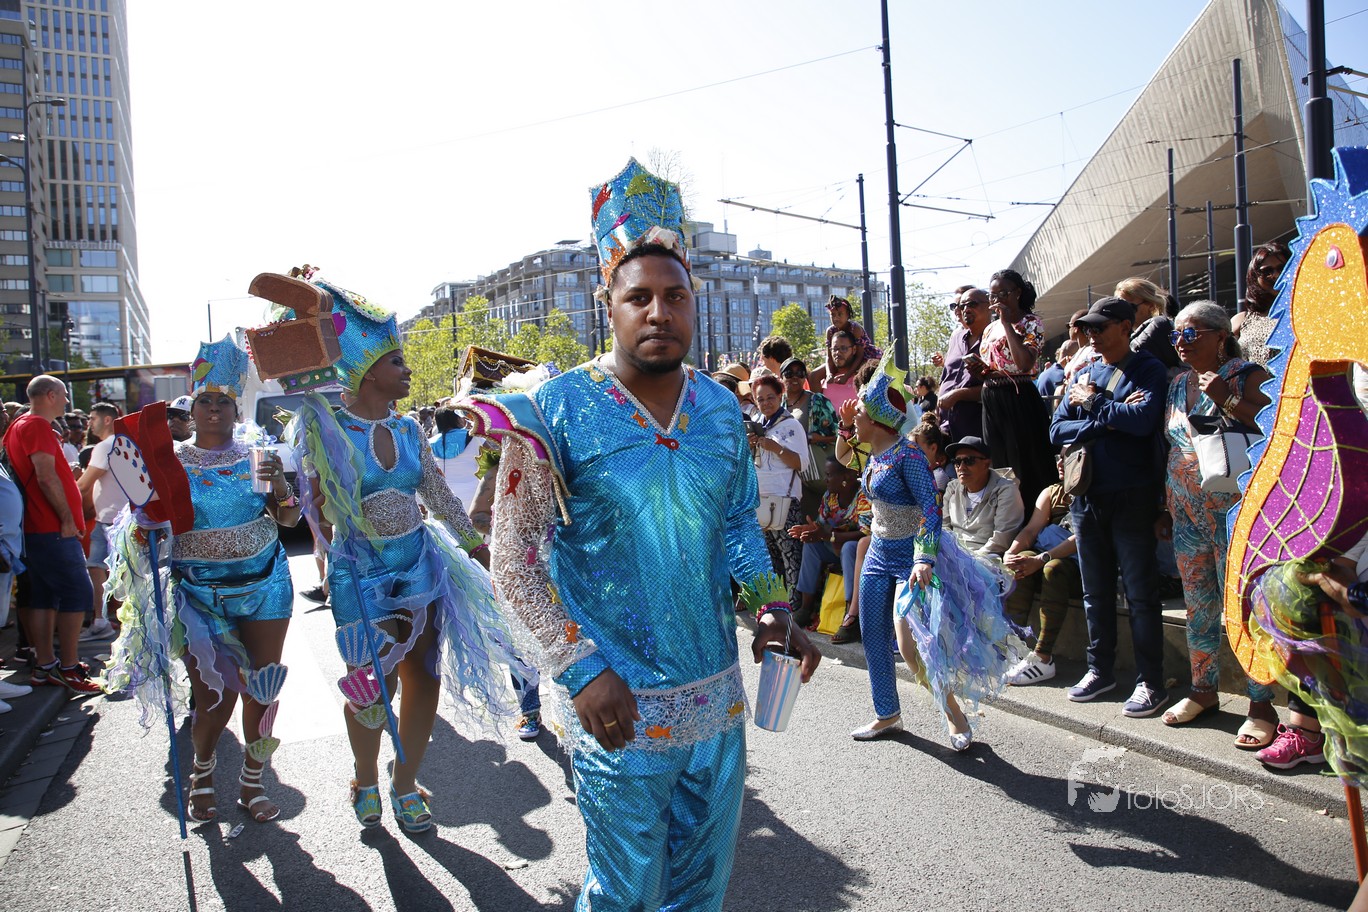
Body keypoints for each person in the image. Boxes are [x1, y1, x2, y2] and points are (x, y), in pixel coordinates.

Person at [466, 159, 819, 912]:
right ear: (610, 305)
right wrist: (580, 668)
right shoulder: (553, 411)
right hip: (615, 707)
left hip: (716, 702)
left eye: (675, 295)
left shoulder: (720, 409)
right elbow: (515, 561)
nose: (659, 312)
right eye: (639, 297)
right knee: (622, 895)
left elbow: (736, 526)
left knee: (702, 891)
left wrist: (772, 609)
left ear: (695, 303)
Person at [294, 279, 516, 834]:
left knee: (424, 675)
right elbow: (307, 506)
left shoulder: (409, 427)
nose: (408, 370)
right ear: (368, 372)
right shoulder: (327, 427)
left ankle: (405, 782)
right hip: (360, 569)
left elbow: (437, 494)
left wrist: (477, 546)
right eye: (397, 361)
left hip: (419, 561)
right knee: (371, 683)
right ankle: (365, 776)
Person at [104, 338, 301, 822]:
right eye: (205, 401)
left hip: (266, 584)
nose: (214, 409)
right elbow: (142, 531)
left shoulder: (258, 456)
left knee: (263, 685)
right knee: (214, 694)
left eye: (224, 402)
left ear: (236, 410)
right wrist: (146, 524)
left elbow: (289, 520)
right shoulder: (167, 462)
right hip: (199, 593)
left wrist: (281, 487)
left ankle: (253, 782)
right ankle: (203, 773)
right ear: (191, 409)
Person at [849, 355, 1022, 750]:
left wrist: (923, 558)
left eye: (859, 413)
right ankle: (887, 713)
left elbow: (930, 509)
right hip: (878, 553)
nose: (854, 419)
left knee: (911, 647)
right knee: (871, 634)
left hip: (911, 557)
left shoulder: (908, 456)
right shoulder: (875, 454)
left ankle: (953, 713)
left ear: (876, 420)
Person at [1154, 301, 1278, 745]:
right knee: (1198, 605)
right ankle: (1203, 690)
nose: (1181, 343)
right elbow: (1174, 445)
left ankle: (1261, 703)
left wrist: (1228, 398)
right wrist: (1165, 506)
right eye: (1176, 336)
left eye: (1191, 334)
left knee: (1243, 607)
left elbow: (1273, 425)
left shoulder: (1246, 375)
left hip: (1235, 514)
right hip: (1186, 513)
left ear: (1220, 336)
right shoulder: (1178, 383)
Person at [1049, 296, 1171, 717]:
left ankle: (1151, 682)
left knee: (1140, 594)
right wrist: (1108, 419)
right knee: (1095, 592)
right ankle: (1100, 670)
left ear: (1125, 326)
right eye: (1088, 329)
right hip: (1087, 496)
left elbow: (1143, 421)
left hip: (1133, 495)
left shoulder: (1148, 369)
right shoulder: (1086, 371)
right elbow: (1056, 429)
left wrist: (1093, 404)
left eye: (1100, 327)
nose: (1092, 335)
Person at [2, 376, 99, 694]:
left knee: (44, 596)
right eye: (64, 395)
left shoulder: (20, 425)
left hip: (38, 528)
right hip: (50, 527)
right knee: (78, 593)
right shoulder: (36, 425)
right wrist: (67, 518)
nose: (68, 401)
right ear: (50, 395)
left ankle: (46, 666)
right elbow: (45, 477)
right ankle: (68, 667)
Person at [1002, 454, 1083, 685]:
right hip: (1043, 556)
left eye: (1067, 457)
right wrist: (1011, 552)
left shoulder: (1091, 492)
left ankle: (1043, 657)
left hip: (1079, 565)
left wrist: (1041, 559)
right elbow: (1031, 530)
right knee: (1021, 561)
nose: (1060, 462)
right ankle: (1014, 646)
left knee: (1052, 569)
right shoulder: (1052, 492)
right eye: (1058, 457)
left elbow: (1081, 537)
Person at [979, 269, 1056, 510]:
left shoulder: (1031, 323)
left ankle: (1034, 516)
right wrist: (980, 370)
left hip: (1018, 396)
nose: (997, 300)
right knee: (998, 460)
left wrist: (1006, 324)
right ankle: (1006, 514)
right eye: (992, 296)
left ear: (1017, 293)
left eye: (1003, 294)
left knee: (1024, 460)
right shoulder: (989, 329)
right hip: (992, 396)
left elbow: (1024, 363)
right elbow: (993, 364)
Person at [788, 457, 870, 630]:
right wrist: (811, 530)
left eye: (829, 475)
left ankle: (851, 615)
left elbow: (865, 533)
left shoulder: (862, 496)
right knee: (811, 545)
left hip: (858, 551)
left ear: (845, 478)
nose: (825, 480)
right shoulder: (830, 496)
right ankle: (806, 608)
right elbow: (821, 525)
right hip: (834, 545)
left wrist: (831, 536)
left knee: (849, 548)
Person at [748, 373, 809, 602]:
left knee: (791, 555)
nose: (765, 403)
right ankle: (778, 603)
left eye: (770, 397)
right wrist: (750, 446)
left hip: (785, 499)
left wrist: (776, 448)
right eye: (760, 399)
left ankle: (795, 605)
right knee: (771, 557)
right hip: (762, 500)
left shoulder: (791, 425)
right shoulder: (758, 425)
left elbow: (802, 463)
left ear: (780, 395)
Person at [74, 401, 125, 641]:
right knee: (101, 568)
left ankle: (102, 620)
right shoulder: (121, 443)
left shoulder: (105, 445)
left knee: (101, 568)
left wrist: (62, 505)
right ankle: (104, 619)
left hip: (112, 521)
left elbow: (84, 485)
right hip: (114, 519)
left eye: (92, 418)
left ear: (107, 420)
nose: (89, 423)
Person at [941, 435, 1024, 561]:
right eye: (957, 462)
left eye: (969, 461)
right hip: (953, 556)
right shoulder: (952, 488)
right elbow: (943, 527)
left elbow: (1002, 539)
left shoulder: (1006, 490)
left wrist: (971, 561)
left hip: (988, 558)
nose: (961, 467)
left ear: (986, 464)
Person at [778, 356, 837, 519]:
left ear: (805, 377)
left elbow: (839, 434)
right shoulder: (779, 405)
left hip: (816, 473)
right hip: (792, 476)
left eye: (800, 373)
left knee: (820, 520)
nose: (795, 377)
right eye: (789, 373)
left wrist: (817, 439)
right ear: (781, 377)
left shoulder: (817, 401)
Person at [934, 286, 988, 442]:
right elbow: (947, 377)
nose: (963, 309)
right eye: (959, 306)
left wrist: (958, 394)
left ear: (988, 305)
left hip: (975, 427)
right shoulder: (956, 337)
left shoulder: (995, 337)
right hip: (946, 426)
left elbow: (999, 385)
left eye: (971, 304)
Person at [1231, 240, 1290, 368]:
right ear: (1254, 277)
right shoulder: (1240, 321)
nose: (1276, 275)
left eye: (1282, 268)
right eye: (1267, 271)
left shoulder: (1308, 315)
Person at [1115, 277, 1180, 372]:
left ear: (1151, 306)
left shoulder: (1163, 329)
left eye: (1129, 307)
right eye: (1119, 308)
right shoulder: (1123, 335)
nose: (1123, 312)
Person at [808, 329, 864, 412]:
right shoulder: (824, 380)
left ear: (854, 349)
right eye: (834, 349)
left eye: (843, 348)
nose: (838, 353)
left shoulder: (861, 380)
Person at [822, 294, 880, 372]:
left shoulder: (855, 329)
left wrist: (846, 376)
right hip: (841, 359)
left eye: (840, 314)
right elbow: (829, 357)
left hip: (864, 358)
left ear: (848, 315)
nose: (836, 318)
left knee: (866, 371)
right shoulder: (830, 331)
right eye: (833, 315)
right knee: (814, 375)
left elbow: (859, 356)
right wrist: (829, 374)